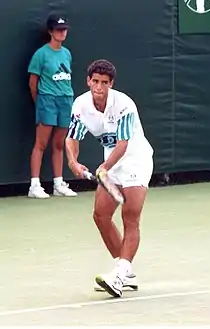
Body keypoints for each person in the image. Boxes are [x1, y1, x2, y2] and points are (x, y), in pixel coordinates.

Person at [65, 59, 154, 297]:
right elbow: (72, 138)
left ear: (111, 84)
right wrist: (73, 161)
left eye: (104, 82)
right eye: (95, 81)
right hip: (111, 166)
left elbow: (123, 144)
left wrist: (103, 167)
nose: (99, 87)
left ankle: (119, 275)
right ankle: (126, 272)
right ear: (88, 81)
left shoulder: (125, 105)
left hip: (136, 160)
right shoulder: (81, 105)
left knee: (130, 216)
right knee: (101, 215)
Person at [27, 14, 77, 198]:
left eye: (64, 29)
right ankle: (34, 185)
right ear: (50, 31)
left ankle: (58, 184)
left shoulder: (67, 53)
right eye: (58, 29)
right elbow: (33, 83)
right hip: (47, 100)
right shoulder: (41, 54)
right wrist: (40, 102)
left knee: (59, 144)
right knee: (41, 143)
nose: (62, 33)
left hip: (66, 100)